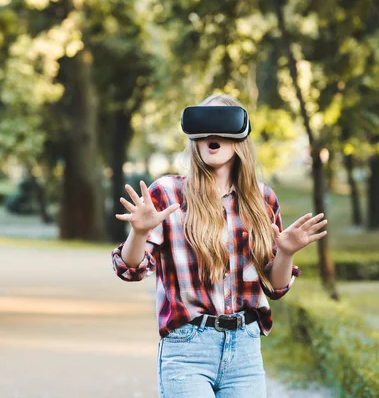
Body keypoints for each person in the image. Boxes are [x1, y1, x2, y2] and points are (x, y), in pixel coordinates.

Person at [111, 94, 328, 398]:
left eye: (222, 125)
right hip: (187, 348)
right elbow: (130, 270)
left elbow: (275, 287)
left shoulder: (262, 200)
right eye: (205, 126)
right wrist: (139, 232)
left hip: (245, 349)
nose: (213, 135)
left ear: (240, 138)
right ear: (195, 137)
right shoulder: (168, 193)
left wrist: (287, 252)